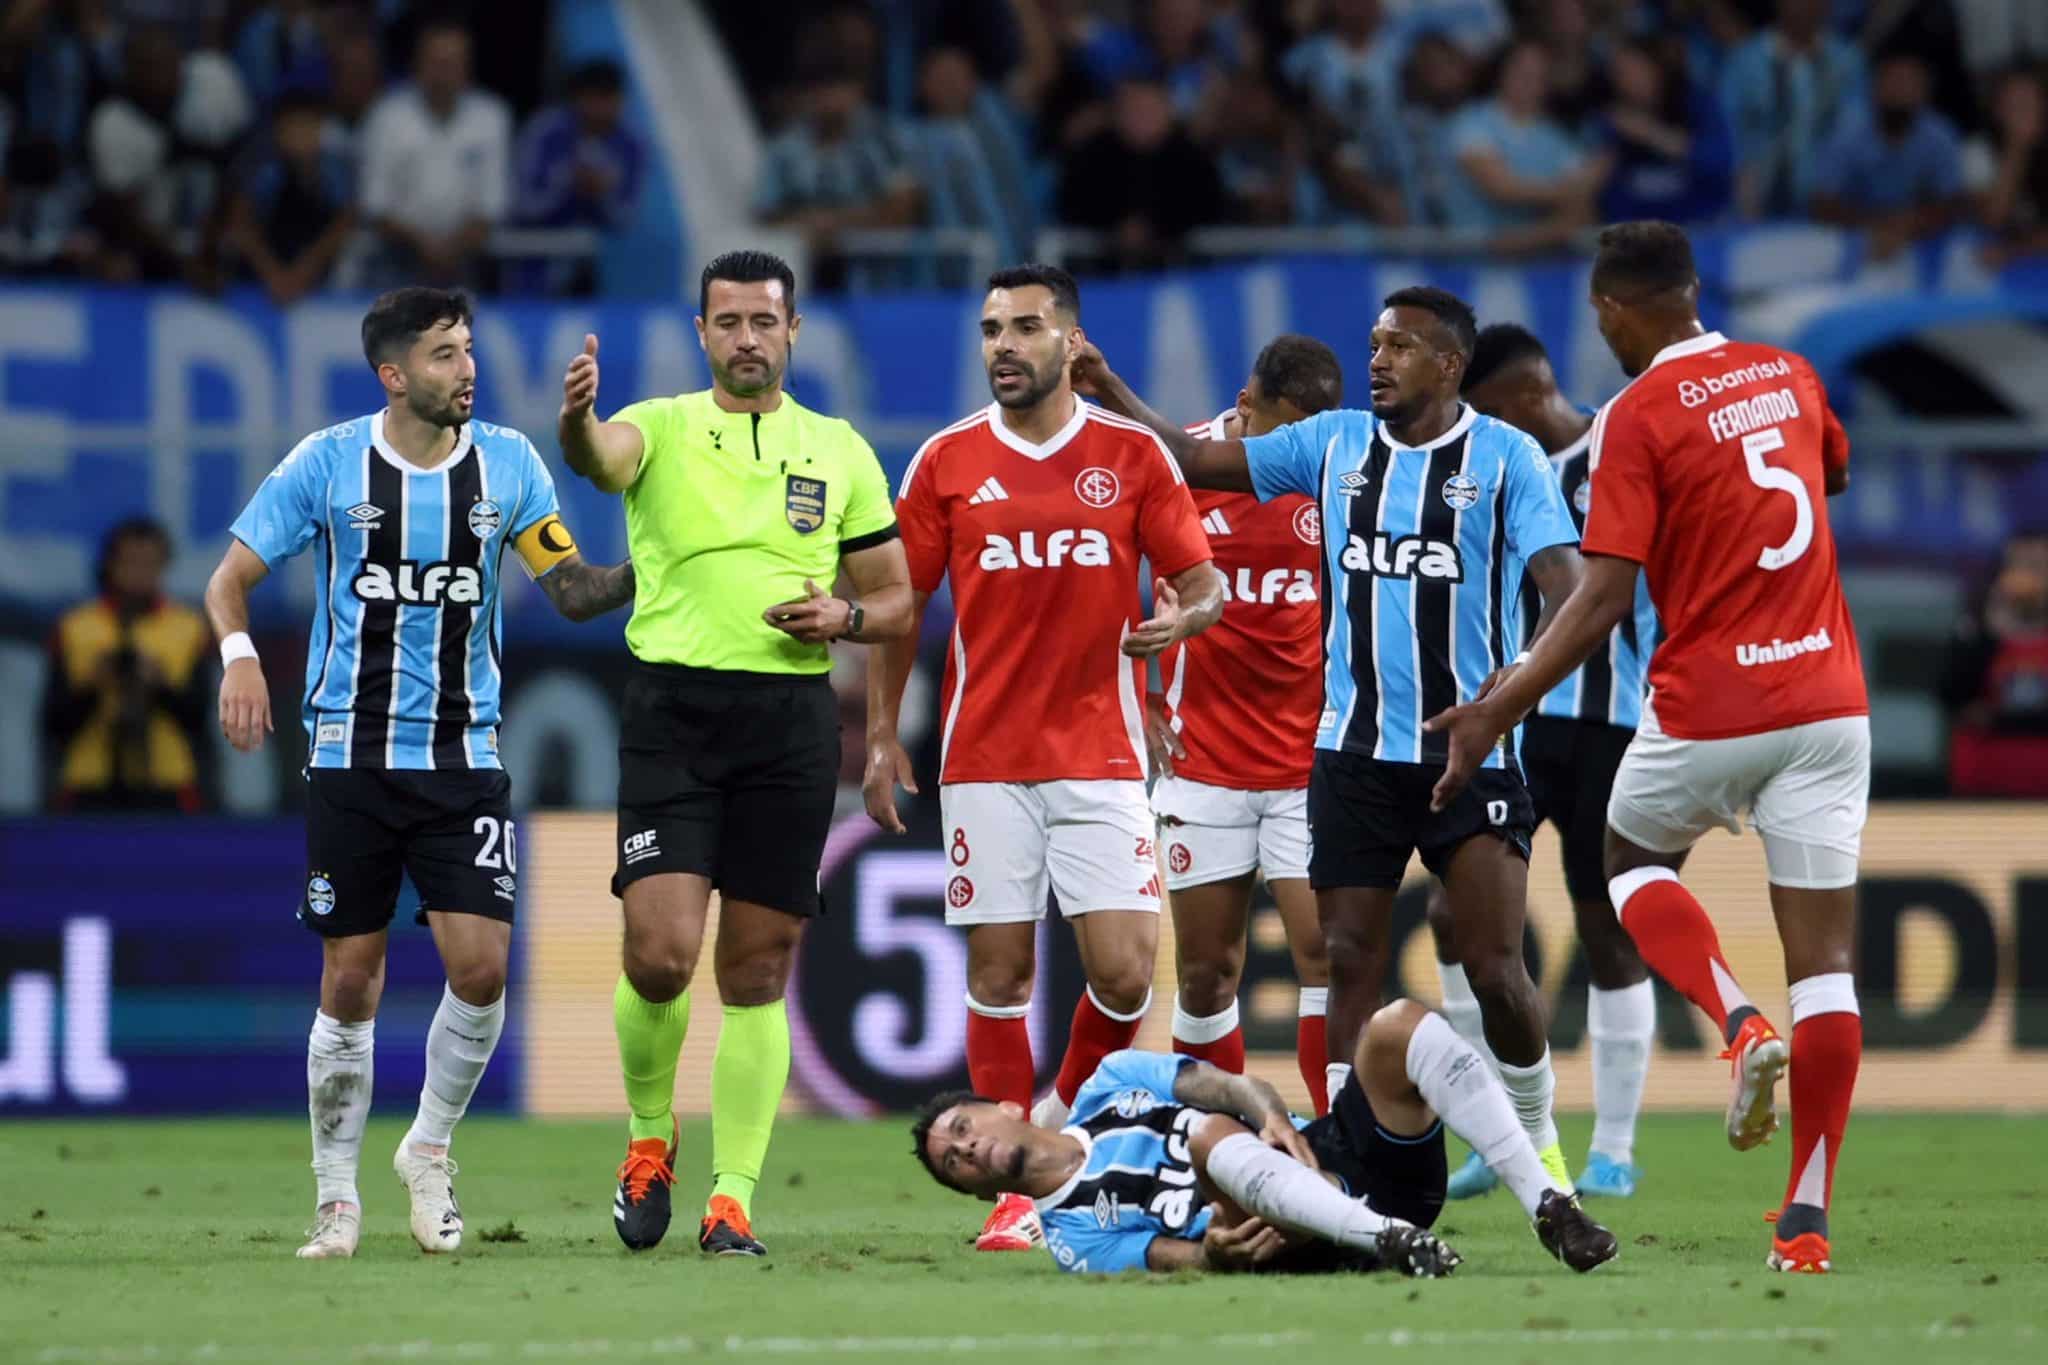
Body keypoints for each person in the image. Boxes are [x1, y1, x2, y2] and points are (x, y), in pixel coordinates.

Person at [1071, 286, 1590, 1207]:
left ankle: (1540, 1136)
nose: (1380, 358)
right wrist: (1110, 387)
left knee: (1494, 966)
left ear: (1448, 365)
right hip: (1351, 752)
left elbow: (1573, 591)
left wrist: (1501, 706)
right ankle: (1358, 1157)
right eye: (1376, 341)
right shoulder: (1335, 443)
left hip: (1472, 750)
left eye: (1402, 346)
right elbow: (1193, 457)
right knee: (1346, 956)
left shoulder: (1508, 460)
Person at [1426, 221, 1869, 1275]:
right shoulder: (1788, 371)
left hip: (1708, 701)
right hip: (1827, 698)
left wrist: (1499, 704)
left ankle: (1731, 1017)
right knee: (1830, 974)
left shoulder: (1637, 415)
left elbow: (1599, 600)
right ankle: (1805, 1221)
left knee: (1627, 867)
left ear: (1613, 311)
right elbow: (1827, 478)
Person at [204, 287, 634, 1261]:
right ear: (393, 374)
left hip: (463, 758)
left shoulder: (511, 464)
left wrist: (660, 566)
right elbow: (227, 581)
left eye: (469, 349)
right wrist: (237, 660)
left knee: (481, 971)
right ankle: (334, 1199)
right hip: (350, 759)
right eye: (443, 354)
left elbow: (569, 591)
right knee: (350, 981)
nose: (467, 368)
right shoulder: (327, 464)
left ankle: (427, 1151)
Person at [557, 250, 914, 1260]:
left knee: (756, 969)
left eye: (764, 320)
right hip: (674, 713)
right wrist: (575, 420)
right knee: (660, 955)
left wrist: (845, 613)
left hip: (789, 723)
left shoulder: (837, 448)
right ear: (702, 332)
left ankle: (732, 1199)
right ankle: (645, 1138)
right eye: (728, 321)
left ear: (792, 331)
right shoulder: (662, 425)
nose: (747, 337)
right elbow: (599, 458)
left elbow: (895, 597)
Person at [863, 263, 1225, 1253]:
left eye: (1024, 327)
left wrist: (1174, 624)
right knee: (998, 970)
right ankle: (1014, 1195)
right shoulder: (943, 461)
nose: (1003, 347)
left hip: (1100, 756)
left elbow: (1202, 585)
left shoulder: (1131, 457)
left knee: (1123, 978)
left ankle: (1054, 1128)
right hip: (982, 755)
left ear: (1069, 341)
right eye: (989, 330)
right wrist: (878, 734)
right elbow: (900, 611)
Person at [1428, 324, 1660, 1203]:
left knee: (1607, 925)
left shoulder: (1621, 451)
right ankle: (1497, 1132)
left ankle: (1617, 1148)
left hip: (1612, 726)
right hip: (1512, 726)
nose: (1476, 430)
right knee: (1456, 919)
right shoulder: (1490, 467)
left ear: (1527, 396)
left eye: (1485, 411)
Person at [910, 998, 1617, 1275]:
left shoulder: (1108, 1079)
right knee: (1204, 1138)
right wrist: (1215, 1252)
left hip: (1323, 1152)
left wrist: (1272, 1111)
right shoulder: (1071, 1238)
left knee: (1396, 1024)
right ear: (981, 1191)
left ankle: (1551, 1206)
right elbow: (1182, 1255)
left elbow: (1228, 1087)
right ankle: (1389, 1239)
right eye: (955, 1161)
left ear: (1008, 1105)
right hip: (1285, 1230)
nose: (966, 1148)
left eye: (963, 1129)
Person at [1147, 335, 1343, 1115]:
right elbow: (1102, 583)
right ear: (1245, 404)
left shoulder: (1335, 473)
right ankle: (1210, 1149)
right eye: (1281, 432)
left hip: (1308, 762)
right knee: (1205, 972)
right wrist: (1140, 697)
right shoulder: (1183, 466)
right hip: (1204, 763)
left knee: (1325, 954)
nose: (1291, 453)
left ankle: (1340, 1149)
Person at [45, 518, 210, 812]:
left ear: (164, 565)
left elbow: (200, 720)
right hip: (87, 785)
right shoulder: (74, 628)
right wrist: (95, 682)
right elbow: (53, 723)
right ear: (110, 564)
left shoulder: (188, 628)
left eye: (150, 563)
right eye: (130, 562)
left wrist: (159, 685)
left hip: (170, 785)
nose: (139, 574)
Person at [357, 18, 511, 287]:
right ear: (417, 65)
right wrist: (424, 246)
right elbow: (375, 203)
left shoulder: (491, 116)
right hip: (396, 259)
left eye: (452, 63)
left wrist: (451, 250)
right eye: (435, 62)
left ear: (467, 68)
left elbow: (492, 205)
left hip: (466, 261)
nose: (443, 72)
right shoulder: (386, 116)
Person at [1809, 51, 1965, 261]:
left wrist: (1905, 227)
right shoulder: (1846, 132)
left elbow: (1952, 203)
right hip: (1852, 235)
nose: (1899, 91)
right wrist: (1877, 228)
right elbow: (1821, 203)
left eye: (1909, 83)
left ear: (1925, 92)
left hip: (1920, 238)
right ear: (1874, 88)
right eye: (1892, 81)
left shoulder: (1940, 136)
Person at [1940, 526, 2048, 795]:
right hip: (1983, 786)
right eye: (2019, 565)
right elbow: (1953, 699)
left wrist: (2001, 720)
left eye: (2037, 566)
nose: (2029, 576)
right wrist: (1988, 633)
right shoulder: (1976, 631)